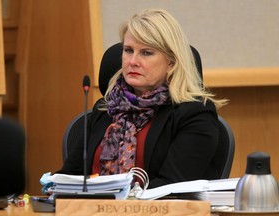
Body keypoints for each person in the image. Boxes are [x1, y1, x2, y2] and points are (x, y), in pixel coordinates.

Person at [57, 8, 227, 189]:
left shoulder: (195, 113)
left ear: (172, 61)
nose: (132, 61)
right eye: (128, 50)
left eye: (146, 53)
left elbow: (172, 187)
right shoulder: (106, 109)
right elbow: (70, 176)